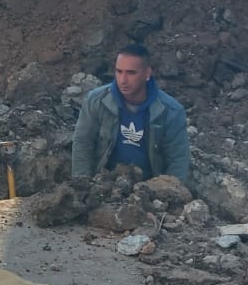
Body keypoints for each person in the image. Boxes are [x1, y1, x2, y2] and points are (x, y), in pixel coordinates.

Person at [71, 43, 191, 184]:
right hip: (104, 183)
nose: (123, 80)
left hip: (148, 188)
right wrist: (82, 185)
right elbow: (83, 142)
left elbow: (178, 159)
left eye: (131, 73)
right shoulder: (96, 100)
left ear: (147, 73)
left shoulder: (171, 111)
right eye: (119, 71)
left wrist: (169, 192)